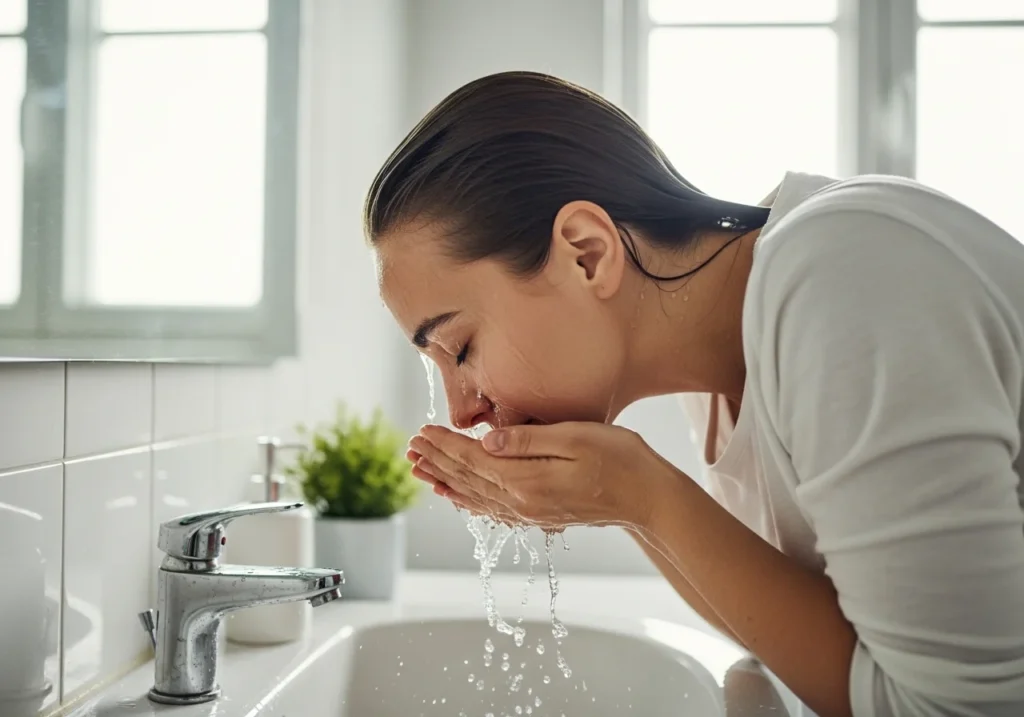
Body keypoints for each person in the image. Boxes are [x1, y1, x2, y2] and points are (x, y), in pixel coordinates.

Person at [366, 70, 1024, 717]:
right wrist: (623, 501)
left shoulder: (840, 282)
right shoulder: (718, 356)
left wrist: (646, 493)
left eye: (461, 348)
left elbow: (950, 707)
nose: (462, 410)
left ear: (586, 253)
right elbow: (797, 634)